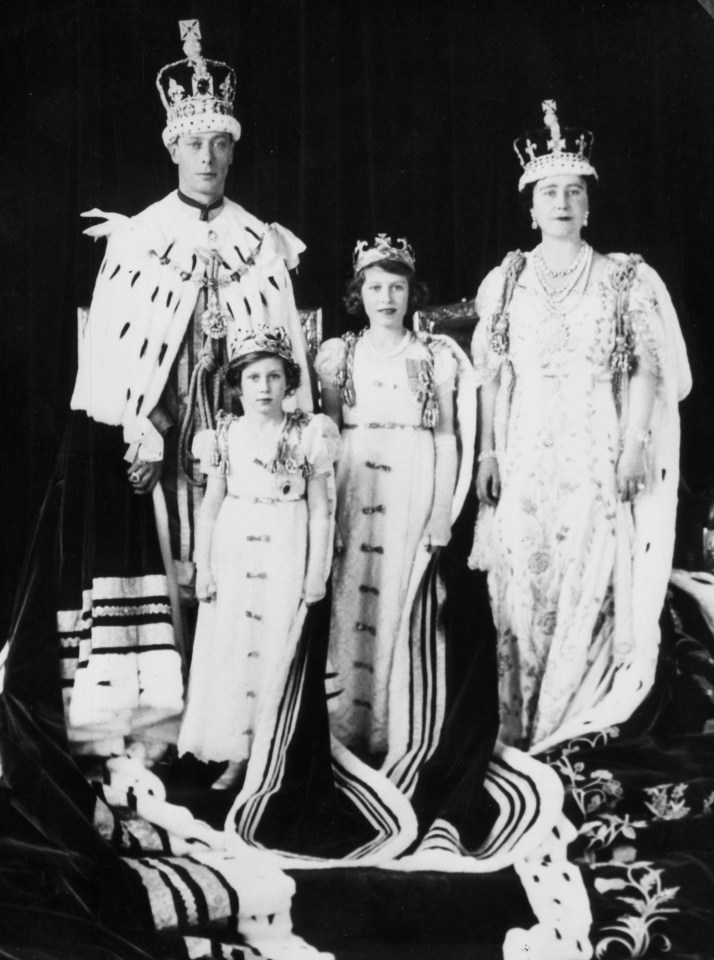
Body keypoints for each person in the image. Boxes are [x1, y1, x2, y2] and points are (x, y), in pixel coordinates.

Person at [16, 19, 312, 762]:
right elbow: (115, 358)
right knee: (166, 546)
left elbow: (287, 358)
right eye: (193, 145)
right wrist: (141, 420)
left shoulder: (262, 243)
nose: (207, 158)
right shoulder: (139, 238)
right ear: (172, 148)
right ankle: (158, 716)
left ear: (233, 149)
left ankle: (234, 725)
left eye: (219, 144)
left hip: (241, 431)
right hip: (161, 429)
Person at [470, 100, 692, 753]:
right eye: (548, 192)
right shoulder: (507, 280)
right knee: (526, 579)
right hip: (527, 449)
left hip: (598, 447)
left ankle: (575, 731)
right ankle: (522, 733)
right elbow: (493, 374)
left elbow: (648, 372)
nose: (561, 202)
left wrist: (634, 446)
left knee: (591, 576)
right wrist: (487, 452)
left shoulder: (624, 277)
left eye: (572, 191)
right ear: (530, 206)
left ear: (588, 205)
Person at [315, 234, 474, 764]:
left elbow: (447, 437)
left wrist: (439, 514)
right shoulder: (340, 355)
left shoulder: (434, 357)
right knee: (350, 602)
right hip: (355, 484)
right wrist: (330, 511)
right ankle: (345, 731)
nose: (386, 299)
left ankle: (394, 732)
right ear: (358, 293)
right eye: (375, 287)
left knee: (402, 605)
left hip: (411, 479)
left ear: (412, 293)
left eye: (397, 287)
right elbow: (331, 434)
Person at [177, 326, 338, 790]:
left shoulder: (309, 433)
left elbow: (321, 510)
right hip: (235, 546)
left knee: (275, 647)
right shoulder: (224, 436)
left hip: (286, 544)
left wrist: (316, 574)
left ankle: (274, 751)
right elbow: (210, 508)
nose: (264, 387)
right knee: (233, 646)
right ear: (237, 384)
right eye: (253, 378)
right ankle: (237, 752)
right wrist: (203, 567)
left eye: (273, 377)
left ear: (289, 383)